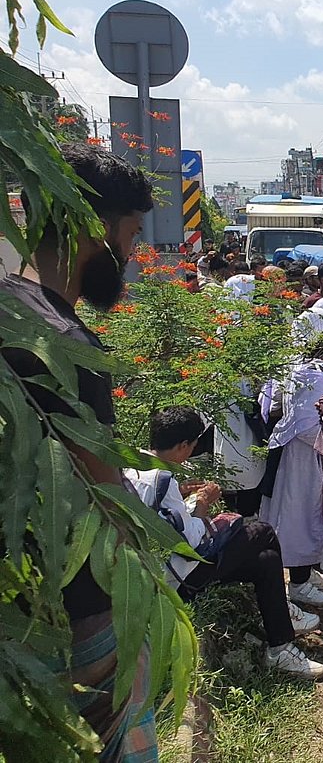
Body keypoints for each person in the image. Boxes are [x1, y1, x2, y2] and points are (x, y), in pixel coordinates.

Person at [0, 144, 157, 757]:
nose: (133, 253)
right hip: (83, 606)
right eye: (132, 233)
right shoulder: (61, 340)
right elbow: (103, 494)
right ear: (95, 227)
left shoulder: (11, 308)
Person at [128, 407, 323, 678]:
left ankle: (280, 647)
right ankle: (288, 616)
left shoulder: (133, 466)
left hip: (163, 571)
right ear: (183, 445)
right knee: (263, 532)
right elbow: (188, 542)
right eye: (192, 447)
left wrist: (183, 496)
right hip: (182, 576)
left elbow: (160, 519)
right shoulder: (162, 479)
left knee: (265, 561)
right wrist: (202, 504)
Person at [260, 322, 323, 609]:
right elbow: (307, 425)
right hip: (307, 453)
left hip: (297, 452)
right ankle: (298, 584)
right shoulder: (317, 378)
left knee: (305, 512)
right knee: (304, 515)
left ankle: (305, 573)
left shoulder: (307, 370)